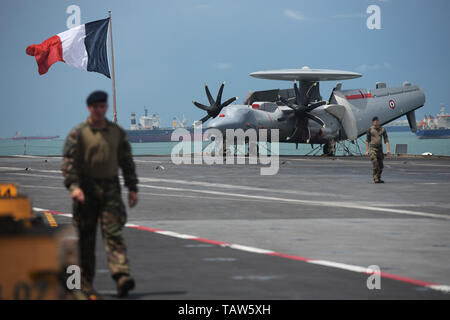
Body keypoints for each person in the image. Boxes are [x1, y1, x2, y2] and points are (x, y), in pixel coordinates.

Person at [62, 91, 138, 299]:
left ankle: (121, 275)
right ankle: (83, 284)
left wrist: (132, 188)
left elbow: (126, 161)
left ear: (105, 107)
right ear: (89, 108)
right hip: (85, 191)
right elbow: (69, 163)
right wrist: (74, 187)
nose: (99, 109)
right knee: (85, 240)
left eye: (102, 106)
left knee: (113, 234)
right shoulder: (78, 133)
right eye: (95, 106)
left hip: (111, 190)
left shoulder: (116, 132)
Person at [366, 116, 390, 183]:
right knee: (375, 163)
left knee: (381, 165)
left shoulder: (382, 129)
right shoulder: (370, 129)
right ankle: (375, 178)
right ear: (373, 122)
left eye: (376, 121)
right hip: (372, 148)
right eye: (374, 121)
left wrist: (388, 149)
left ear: (378, 121)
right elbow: (367, 140)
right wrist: (367, 150)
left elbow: (386, 140)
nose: (375, 122)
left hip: (380, 149)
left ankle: (378, 177)